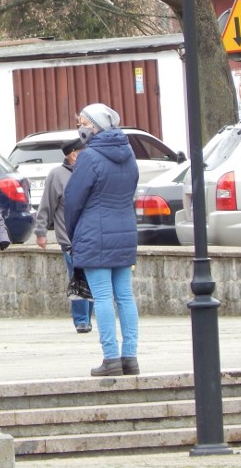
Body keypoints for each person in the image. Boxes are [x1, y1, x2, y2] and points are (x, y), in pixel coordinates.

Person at [65, 103, 140, 377]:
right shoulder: (129, 153)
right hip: (125, 231)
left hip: (95, 235)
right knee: (125, 296)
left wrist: (73, 233)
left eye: (82, 121)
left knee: (103, 298)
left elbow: (73, 199)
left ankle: (111, 358)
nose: (80, 126)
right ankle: (130, 356)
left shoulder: (90, 157)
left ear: (95, 126)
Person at [34, 138, 93, 333]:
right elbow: (47, 205)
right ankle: (82, 320)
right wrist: (41, 231)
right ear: (73, 154)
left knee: (92, 277)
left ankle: (89, 316)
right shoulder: (57, 175)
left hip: (92, 236)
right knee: (77, 276)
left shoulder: (89, 172)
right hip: (70, 239)